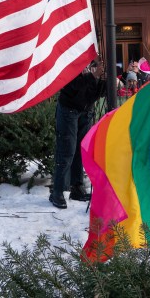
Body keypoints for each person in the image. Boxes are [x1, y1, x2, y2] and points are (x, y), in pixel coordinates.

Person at [50, 56, 105, 209]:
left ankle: (76, 187)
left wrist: (101, 80)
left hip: (86, 111)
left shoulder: (96, 62)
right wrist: (92, 76)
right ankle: (58, 191)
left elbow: (97, 92)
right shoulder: (72, 57)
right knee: (67, 150)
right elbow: (71, 86)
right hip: (69, 109)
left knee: (80, 151)